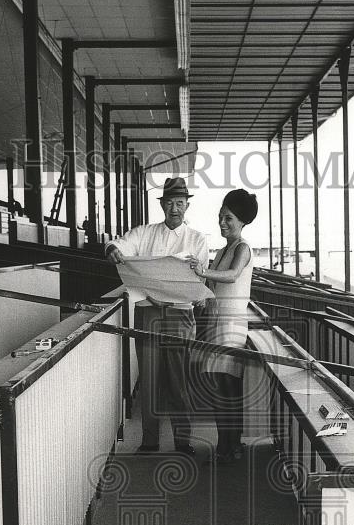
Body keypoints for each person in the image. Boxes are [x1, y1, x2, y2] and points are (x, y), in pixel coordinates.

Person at [105, 176, 209, 455]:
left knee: (179, 379)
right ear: (162, 204)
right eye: (169, 202)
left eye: (180, 202)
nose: (174, 208)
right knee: (149, 378)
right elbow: (120, 245)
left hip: (180, 314)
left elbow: (200, 282)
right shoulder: (145, 233)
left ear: (187, 205)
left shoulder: (197, 240)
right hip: (148, 312)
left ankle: (183, 442)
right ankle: (149, 441)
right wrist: (113, 250)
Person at [188, 189, 256, 464]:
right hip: (217, 321)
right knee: (218, 386)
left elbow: (232, 275)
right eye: (220, 217)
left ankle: (233, 444)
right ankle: (224, 443)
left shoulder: (242, 248)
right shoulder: (223, 250)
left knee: (230, 387)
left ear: (241, 222)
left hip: (232, 324)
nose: (223, 223)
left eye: (228, 218)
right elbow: (213, 285)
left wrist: (202, 271)